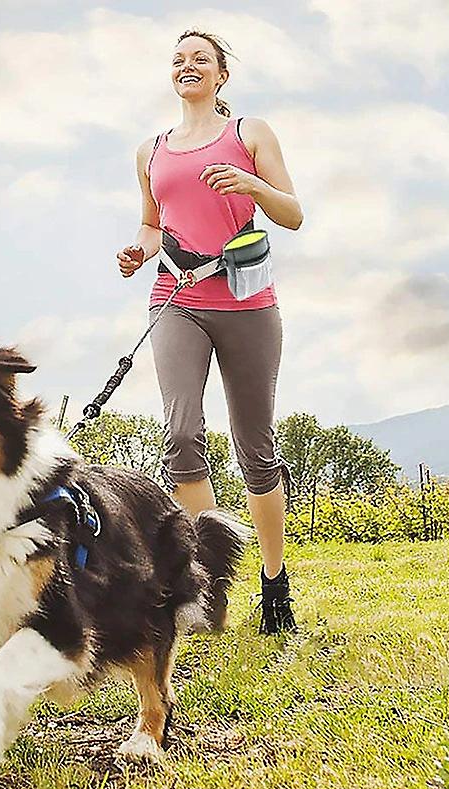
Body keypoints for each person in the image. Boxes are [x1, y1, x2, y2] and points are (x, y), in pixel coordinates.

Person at [116, 30, 303, 635]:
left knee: (255, 445)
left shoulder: (249, 133)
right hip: (176, 297)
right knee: (181, 434)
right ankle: (207, 581)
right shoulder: (151, 150)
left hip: (246, 301)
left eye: (200, 59)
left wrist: (250, 184)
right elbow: (152, 223)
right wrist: (139, 251)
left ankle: (274, 586)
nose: (187, 66)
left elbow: (293, 213)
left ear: (222, 75)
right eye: (178, 60)